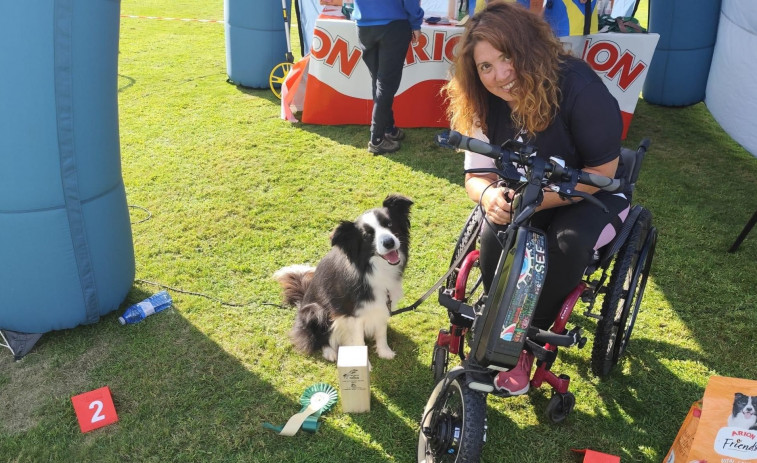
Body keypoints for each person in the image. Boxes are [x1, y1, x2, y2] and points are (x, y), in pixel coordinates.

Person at [443, 1, 629, 395]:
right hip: (524, 192)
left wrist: (539, 201)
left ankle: (529, 340)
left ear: (529, 48)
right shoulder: (481, 100)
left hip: (591, 195)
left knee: (566, 244)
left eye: (507, 57)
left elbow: (604, 175)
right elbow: (476, 175)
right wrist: (490, 195)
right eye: (485, 66)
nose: (500, 75)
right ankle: (499, 324)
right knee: (496, 233)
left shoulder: (578, 87)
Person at [351, 0, 424, 154]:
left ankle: (388, 128)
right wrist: (416, 23)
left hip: (364, 24)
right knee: (385, 83)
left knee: (379, 81)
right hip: (393, 24)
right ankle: (376, 139)